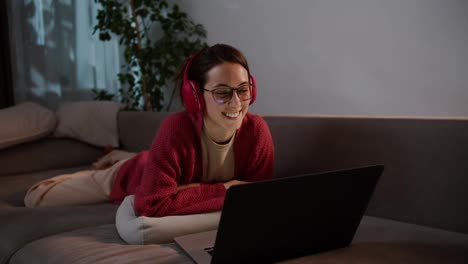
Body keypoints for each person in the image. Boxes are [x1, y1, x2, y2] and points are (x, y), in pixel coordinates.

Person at [24, 44, 275, 220]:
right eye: (222, 92)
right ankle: (119, 163)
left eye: (243, 90)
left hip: (162, 169)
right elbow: (152, 204)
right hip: (133, 175)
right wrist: (227, 189)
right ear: (195, 96)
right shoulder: (175, 129)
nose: (237, 103)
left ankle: (124, 155)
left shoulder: (256, 131)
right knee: (36, 198)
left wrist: (188, 191)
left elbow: (257, 198)